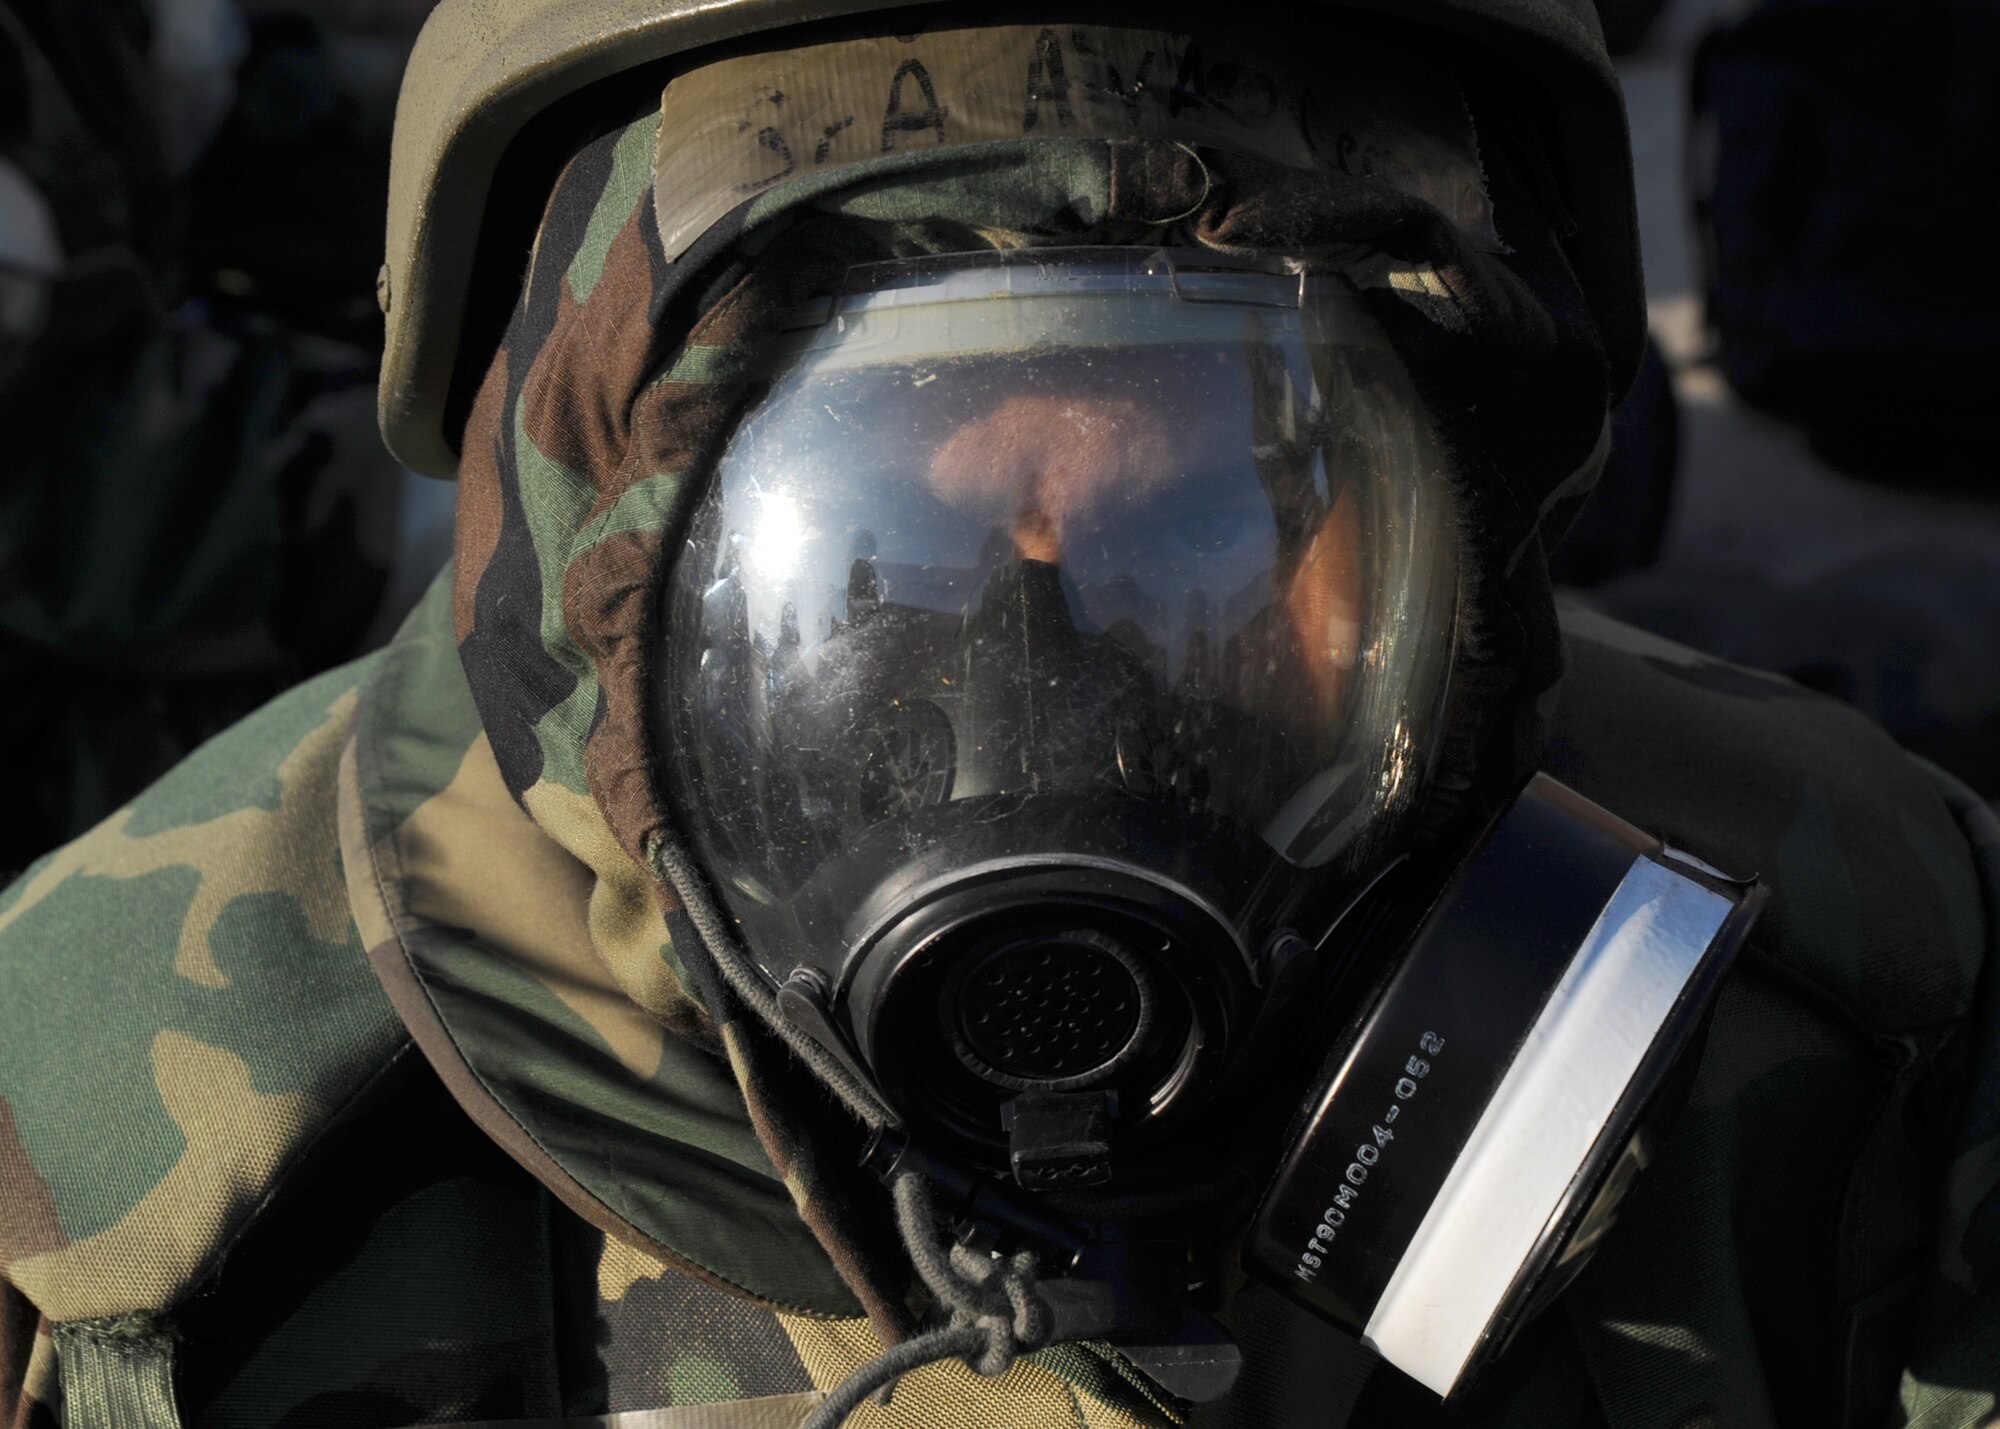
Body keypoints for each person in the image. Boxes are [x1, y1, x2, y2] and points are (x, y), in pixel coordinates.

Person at [3, 3, 1997, 1428]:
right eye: (889, 537)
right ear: (598, 542)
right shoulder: (111, 1170)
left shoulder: (1874, 995)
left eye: (1206, 521)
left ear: (1460, 526)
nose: (1038, 701)